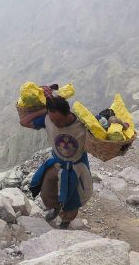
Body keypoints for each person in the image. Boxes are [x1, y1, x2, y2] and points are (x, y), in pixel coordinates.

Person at [19, 88, 93, 229]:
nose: (56, 123)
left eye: (58, 120)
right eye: (52, 119)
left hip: (76, 166)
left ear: (68, 114)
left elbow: (102, 133)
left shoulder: (83, 124)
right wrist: (44, 111)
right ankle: (54, 209)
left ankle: (65, 221)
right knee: (47, 191)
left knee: (73, 198)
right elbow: (23, 121)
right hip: (57, 162)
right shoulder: (49, 119)